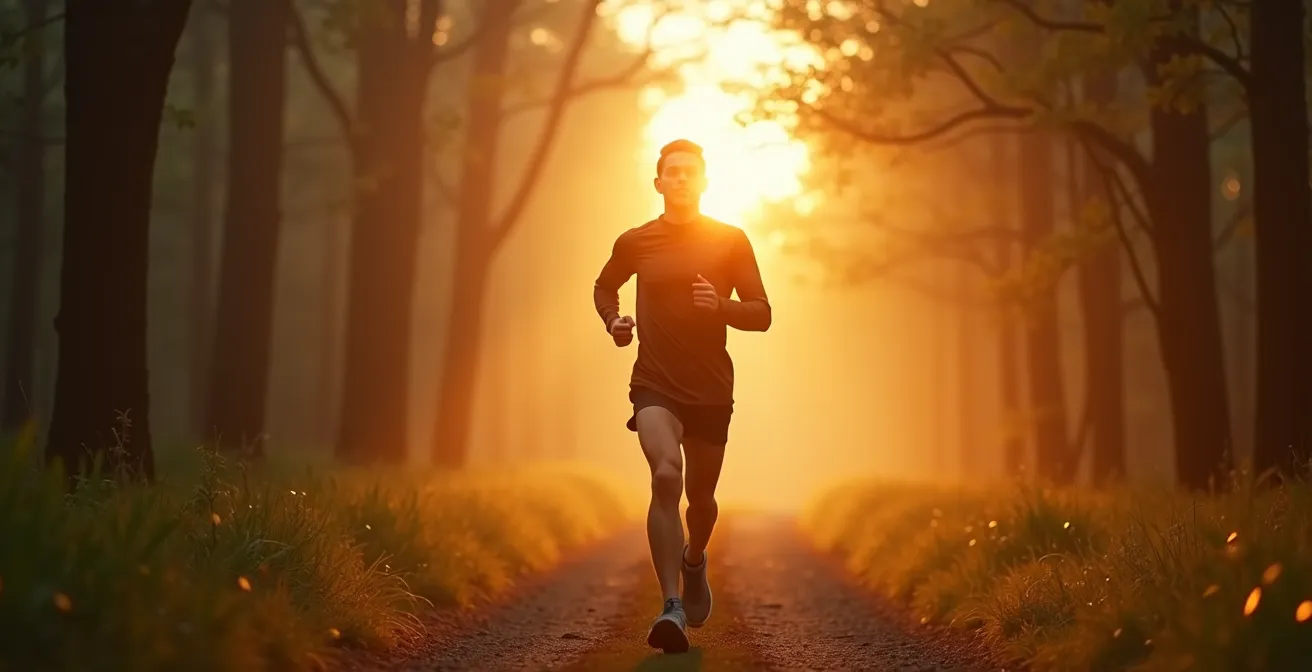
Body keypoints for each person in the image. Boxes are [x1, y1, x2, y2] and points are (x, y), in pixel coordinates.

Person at [591, 138, 772, 653]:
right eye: (673, 172)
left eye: (691, 172)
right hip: (654, 381)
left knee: (703, 501)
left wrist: (721, 305)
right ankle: (671, 604)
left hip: (712, 387)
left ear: (705, 181)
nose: (682, 179)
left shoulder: (730, 240)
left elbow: (761, 312)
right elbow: (605, 287)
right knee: (665, 474)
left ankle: (695, 562)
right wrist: (615, 322)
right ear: (658, 183)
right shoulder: (636, 241)